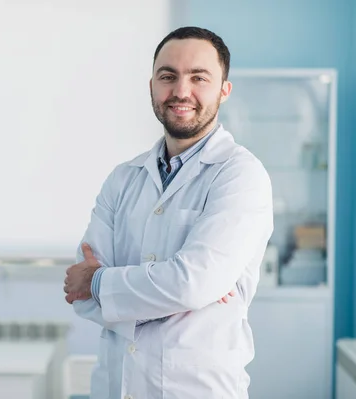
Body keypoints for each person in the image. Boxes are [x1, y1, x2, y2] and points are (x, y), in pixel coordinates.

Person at [62, 26, 273, 399]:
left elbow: (191, 284)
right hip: (115, 386)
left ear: (224, 89)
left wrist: (98, 283)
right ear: (152, 86)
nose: (181, 91)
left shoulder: (241, 175)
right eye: (168, 76)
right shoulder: (123, 178)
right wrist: (175, 291)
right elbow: (83, 301)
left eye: (198, 77)